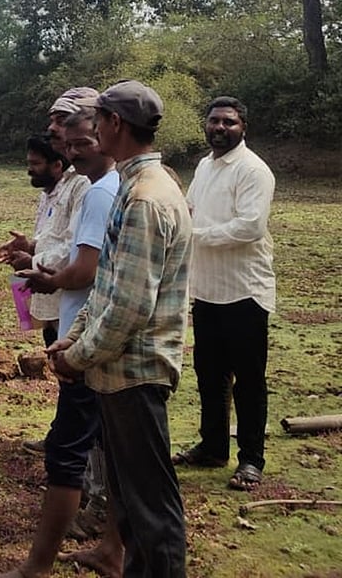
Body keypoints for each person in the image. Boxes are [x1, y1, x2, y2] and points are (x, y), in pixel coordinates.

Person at [47, 80, 191, 576]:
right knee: (130, 503)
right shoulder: (134, 186)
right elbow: (109, 284)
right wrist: (75, 337)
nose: (88, 131)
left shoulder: (146, 198)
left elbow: (128, 306)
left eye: (96, 120)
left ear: (114, 124)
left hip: (136, 372)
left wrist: (77, 356)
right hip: (119, 370)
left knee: (152, 509)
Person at [0, 105, 124, 578]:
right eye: (66, 144)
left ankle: (40, 565)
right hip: (84, 325)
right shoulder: (101, 186)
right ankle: (112, 547)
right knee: (108, 442)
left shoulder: (99, 191)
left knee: (70, 448)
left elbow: (87, 269)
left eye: (79, 143)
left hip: (89, 338)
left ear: (109, 132)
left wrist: (45, 276)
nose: (70, 152)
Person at [177, 96, 276, 492]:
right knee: (209, 373)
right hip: (207, 289)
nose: (219, 128)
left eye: (229, 122)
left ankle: (251, 459)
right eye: (214, 121)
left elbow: (250, 227)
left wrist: (194, 235)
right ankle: (213, 447)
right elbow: (189, 209)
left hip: (244, 291)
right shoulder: (205, 166)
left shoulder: (253, 170)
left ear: (243, 127)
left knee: (248, 379)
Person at [0, 136, 88, 348]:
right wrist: (29, 247)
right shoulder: (49, 192)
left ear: (57, 165)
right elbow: (51, 236)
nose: (30, 170)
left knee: (68, 351)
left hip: (69, 296)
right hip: (48, 298)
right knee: (52, 344)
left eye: (35, 164)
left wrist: (32, 262)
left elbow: (73, 245)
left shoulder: (81, 186)